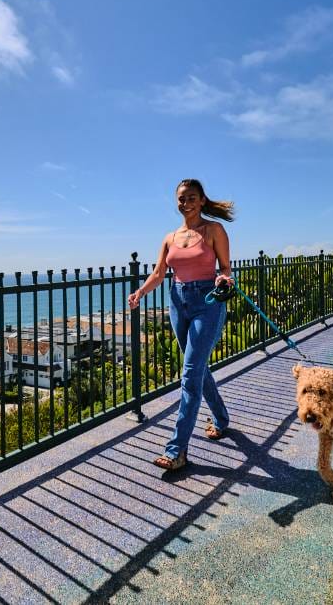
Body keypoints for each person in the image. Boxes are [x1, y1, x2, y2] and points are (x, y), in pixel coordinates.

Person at [127, 178, 234, 470]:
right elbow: (159, 273)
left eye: (191, 198)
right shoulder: (169, 237)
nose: (185, 203)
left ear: (202, 200)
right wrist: (140, 292)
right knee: (197, 368)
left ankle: (177, 451)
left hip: (207, 302)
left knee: (189, 374)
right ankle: (221, 418)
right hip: (177, 302)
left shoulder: (214, 230)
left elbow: (226, 267)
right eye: (181, 199)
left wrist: (224, 279)